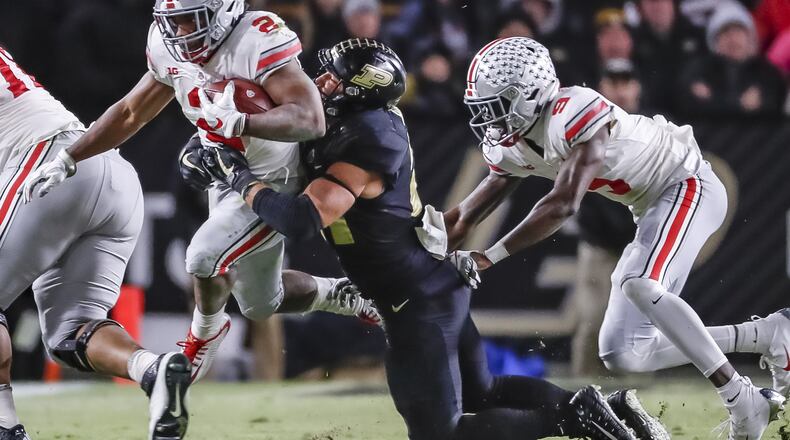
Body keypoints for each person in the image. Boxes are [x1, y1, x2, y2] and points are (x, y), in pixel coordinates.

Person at [196, 37, 668, 440]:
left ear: (360, 91)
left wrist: (238, 179)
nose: (321, 84)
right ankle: (606, 409)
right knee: (482, 391)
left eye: (334, 78)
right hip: (427, 280)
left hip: (413, 299)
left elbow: (303, 220)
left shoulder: (366, 137)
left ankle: (575, 415)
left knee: (440, 433)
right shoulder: (356, 123)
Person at [20, 0, 380, 384]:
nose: (180, 33)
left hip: (274, 174)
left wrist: (244, 121)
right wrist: (69, 157)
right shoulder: (166, 44)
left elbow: (311, 119)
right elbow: (131, 112)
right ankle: (337, 292)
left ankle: (202, 339)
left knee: (203, 256)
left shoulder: (256, 37)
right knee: (261, 303)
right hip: (224, 171)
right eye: (173, 23)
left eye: (190, 20)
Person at [447, 36, 790, 439]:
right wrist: (419, 252)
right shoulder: (515, 143)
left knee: (640, 284)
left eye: (498, 104)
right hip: (651, 205)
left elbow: (563, 204)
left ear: (529, 94)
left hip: (688, 183)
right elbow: (465, 215)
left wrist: (491, 255)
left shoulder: (571, 110)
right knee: (623, 351)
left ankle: (741, 399)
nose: (490, 118)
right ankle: (768, 335)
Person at [0, 45, 190, 440]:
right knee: (71, 334)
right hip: (105, 166)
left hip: (48, 166)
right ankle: (150, 369)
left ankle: (5, 426)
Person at [676, 2, 786, 118]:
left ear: (750, 38)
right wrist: (741, 105)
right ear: (714, 41)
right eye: (726, 32)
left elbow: (774, 105)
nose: (733, 39)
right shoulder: (698, 71)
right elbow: (687, 103)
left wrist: (714, 100)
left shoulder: (768, 73)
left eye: (739, 31)